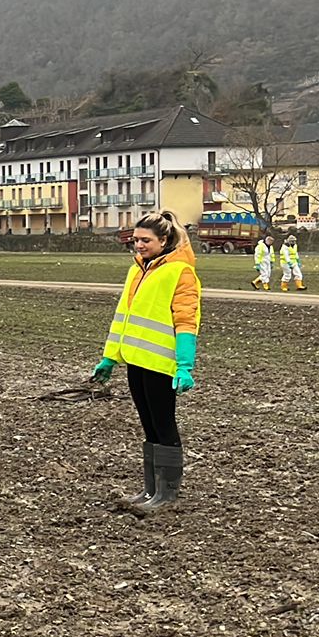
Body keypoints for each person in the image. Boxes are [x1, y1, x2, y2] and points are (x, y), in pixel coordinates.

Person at [92, 210, 201, 516]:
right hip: (136, 361)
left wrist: (184, 365)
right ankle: (152, 489)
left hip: (161, 363)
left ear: (164, 240)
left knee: (164, 426)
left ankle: (167, 494)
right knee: (149, 427)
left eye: (145, 240)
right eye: (135, 239)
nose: (138, 245)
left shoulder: (180, 272)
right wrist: (109, 358)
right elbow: (123, 317)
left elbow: (186, 321)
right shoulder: (137, 270)